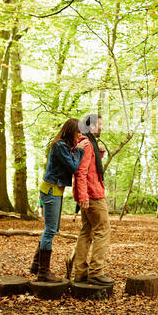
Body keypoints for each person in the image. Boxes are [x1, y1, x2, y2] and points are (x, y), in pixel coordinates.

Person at [30, 118, 89, 282]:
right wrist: (80, 150)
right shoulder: (60, 146)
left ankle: (36, 264)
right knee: (50, 230)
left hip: (54, 190)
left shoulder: (64, 146)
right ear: (71, 131)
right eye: (78, 132)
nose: (80, 136)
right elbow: (73, 167)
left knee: (52, 229)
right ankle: (43, 272)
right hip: (51, 190)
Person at [72, 114, 113, 286]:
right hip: (93, 195)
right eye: (99, 125)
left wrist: (100, 155)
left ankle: (80, 272)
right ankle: (96, 272)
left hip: (89, 193)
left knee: (87, 231)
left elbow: (90, 168)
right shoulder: (87, 144)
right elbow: (81, 172)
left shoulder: (87, 143)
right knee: (103, 231)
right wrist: (83, 197)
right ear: (91, 127)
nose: (101, 128)